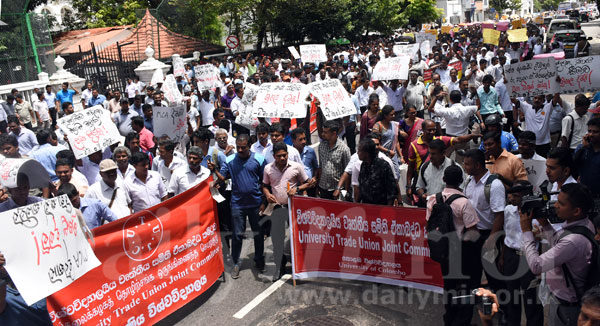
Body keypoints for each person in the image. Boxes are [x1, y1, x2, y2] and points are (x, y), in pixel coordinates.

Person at [520, 183, 595, 325]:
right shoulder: (584, 224)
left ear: (576, 211)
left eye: (561, 203)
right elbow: (557, 242)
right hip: (564, 300)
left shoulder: (573, 241)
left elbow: (536, 266)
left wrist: (526, 231)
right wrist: (544, 223)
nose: (555, 206)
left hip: (567, 307)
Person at [425, 165, 480, 326]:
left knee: (449, 285)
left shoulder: (433, 199)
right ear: (461, 181)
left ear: (443, 179)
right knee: (464, 288)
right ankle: (461, 321)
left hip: (442, 250)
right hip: (461, 252)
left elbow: (428, 223)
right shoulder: (464, 203)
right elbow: (473, 232)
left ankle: (449, 317)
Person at [210, 134, 266, 278]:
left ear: (249, 146)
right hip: (237, 204)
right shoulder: (229, 160)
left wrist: (264, 201)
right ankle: (235, 263)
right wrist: (214, 170)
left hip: (255, 204)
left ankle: (259, 259)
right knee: (237, 235)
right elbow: (222, 178)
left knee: (258, 234)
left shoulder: (259, 159)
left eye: (244, 147)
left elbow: (265, 182)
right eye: (238, 147)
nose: (240, 150)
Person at [0, 173, 53, 326]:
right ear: (9, 189)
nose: (22, 191)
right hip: (12, 273)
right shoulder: (1, 211)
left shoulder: (39, 204)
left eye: (25, 187)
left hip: (40, 266)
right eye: (18, 188)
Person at [262, 141, 310, 281]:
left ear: (288, 154)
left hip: (293, 206)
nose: (282, 158)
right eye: (279, 156)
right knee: (277, 239)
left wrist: (298, 189)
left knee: (296, 238)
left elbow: (307, 182)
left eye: (284, 155)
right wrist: (267, 194)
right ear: (274, 156)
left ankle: (299, 267)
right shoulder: (268, 169)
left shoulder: (296, 167)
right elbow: (264, 185)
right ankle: (279, 267)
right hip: (277, 207)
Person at [502, 181, 545, 326]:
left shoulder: (538, 216)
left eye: (516, 196)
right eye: (511, 196)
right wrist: (503, 257)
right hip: (511, 257)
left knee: (531, 299)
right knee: (511, 296)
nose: (512, 199)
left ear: (526, 197)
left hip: (528, 259)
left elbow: (541, 241)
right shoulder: (508, 210)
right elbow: (506, 235)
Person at [463, 149, 506, 295]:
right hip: (472, 235)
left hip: (488, 235)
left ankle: (501, 308)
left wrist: (492, 240)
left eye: (468, 164)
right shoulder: (468, 182)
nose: (465, 167)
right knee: (472, 274)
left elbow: (499, 215)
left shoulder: (494, 185)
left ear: (477, 165)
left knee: (494, 276)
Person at [406, 120, 479, 201]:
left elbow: (458, 139)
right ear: (422, 129)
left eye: (434, 129)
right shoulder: (417, 152)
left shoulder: (453, 166)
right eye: (429, 130)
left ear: (443, 152)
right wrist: (412, 188)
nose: (432, 132)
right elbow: (411, 168)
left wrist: (472, 136)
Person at [428, 90, 480, 164]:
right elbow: (478, 106)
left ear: (450, 100)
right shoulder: (467, 109)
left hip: (450, 139)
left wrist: (436, 97)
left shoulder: (447, 111)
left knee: (444, 161)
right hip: (463, 139)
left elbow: (430, 109)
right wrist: (476, 94)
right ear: (460, 99)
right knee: (462, 162)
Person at [416, 139, 464, 205]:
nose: (431, 157)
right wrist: (422, 195)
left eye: (434, 154)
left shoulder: (455, 168)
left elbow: (462, 189)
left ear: (443, 153)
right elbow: (419, 187)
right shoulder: (425, 167)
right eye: (429, 153)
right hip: (430, 208)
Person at [354, 138, 397, 205]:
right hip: (366, 207)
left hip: (380, 208)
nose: (357, 153)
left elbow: (391, 191)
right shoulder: (363, 165)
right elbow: (360, 187)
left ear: (367, 153)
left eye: (359, 151)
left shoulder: (383, 166)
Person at [318, 120, 351, 199]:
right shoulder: (321, 146)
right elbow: (321, 166)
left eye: (325, 132)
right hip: (323, 188)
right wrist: (318, 186)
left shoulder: (344, 149)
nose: (323, 134)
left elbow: (347, 172)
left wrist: (345, 191)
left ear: (334, 133)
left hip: (337, 190)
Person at [574, 118, 600, 197]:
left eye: (595, 132)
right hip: (584, 194)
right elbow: (574, 164)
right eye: (589, 131)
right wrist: (584, 148)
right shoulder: (582, 148)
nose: (591, 134)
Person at [291, 127, 318, 197]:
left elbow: (316, 167)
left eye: (304, 138)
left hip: (310, 187)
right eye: (300, 139)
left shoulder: (310, 151)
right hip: (296, 189)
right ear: (293, 141)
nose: (304, 141)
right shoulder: (289, 153)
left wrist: (315, 177)